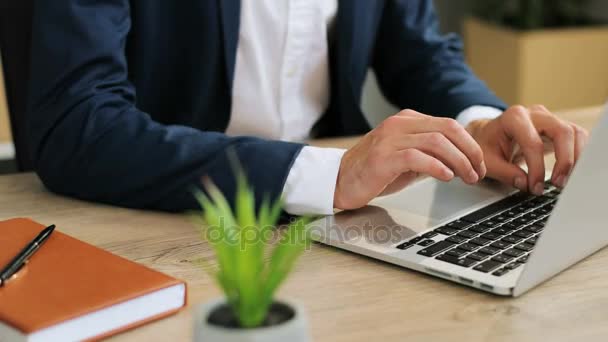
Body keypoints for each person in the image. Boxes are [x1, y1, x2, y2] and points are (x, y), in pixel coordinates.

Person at [26, 0, 588, 215]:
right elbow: (77, 123)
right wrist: (331, 175)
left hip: (333, 233)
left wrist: (479, 125)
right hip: (149, 220)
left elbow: (416, 51)